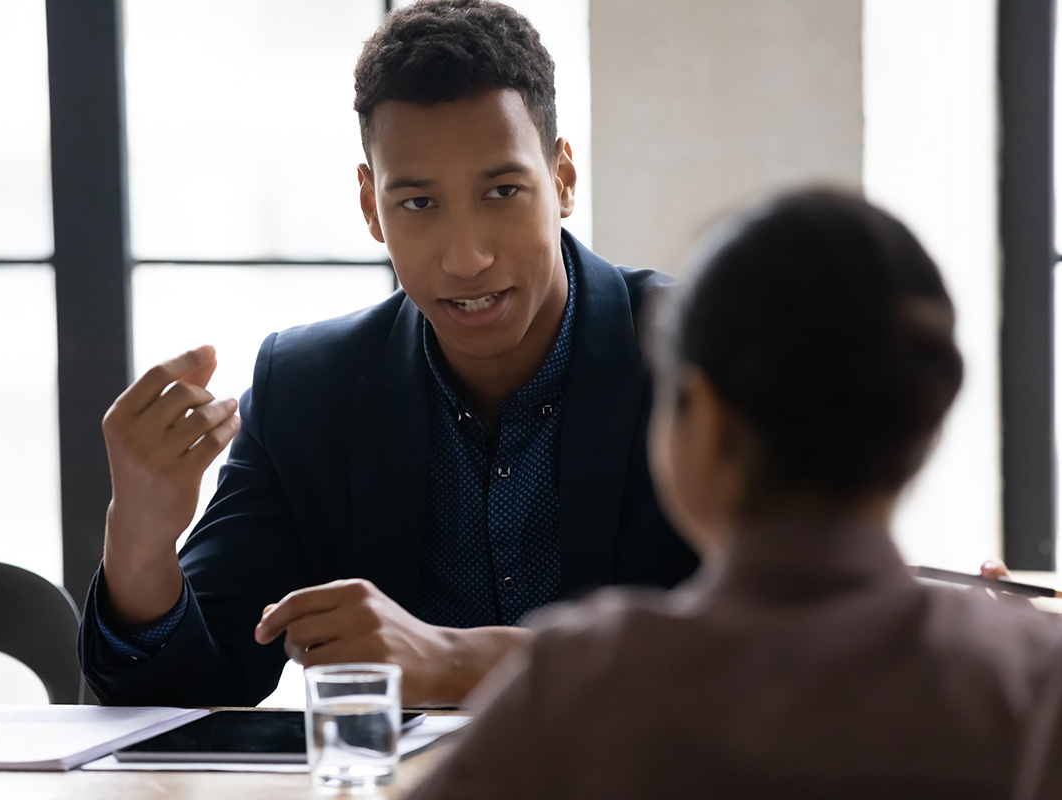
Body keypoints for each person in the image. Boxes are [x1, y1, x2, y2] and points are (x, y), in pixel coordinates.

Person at [407, 189, 1062, 799]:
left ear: (710, 419)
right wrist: (1034, 668)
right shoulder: (1059, 701)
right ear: (927, 420)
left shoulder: (579, 692)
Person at [77, 0, 698, 708]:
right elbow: (187, 698)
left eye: (502, 191)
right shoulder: (307, 392)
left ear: (562, 180)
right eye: (419, 205)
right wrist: (140, 539)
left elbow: (788, 656)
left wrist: (464, 662)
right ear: (371, 206)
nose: (468, 259)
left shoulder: (704, 358)